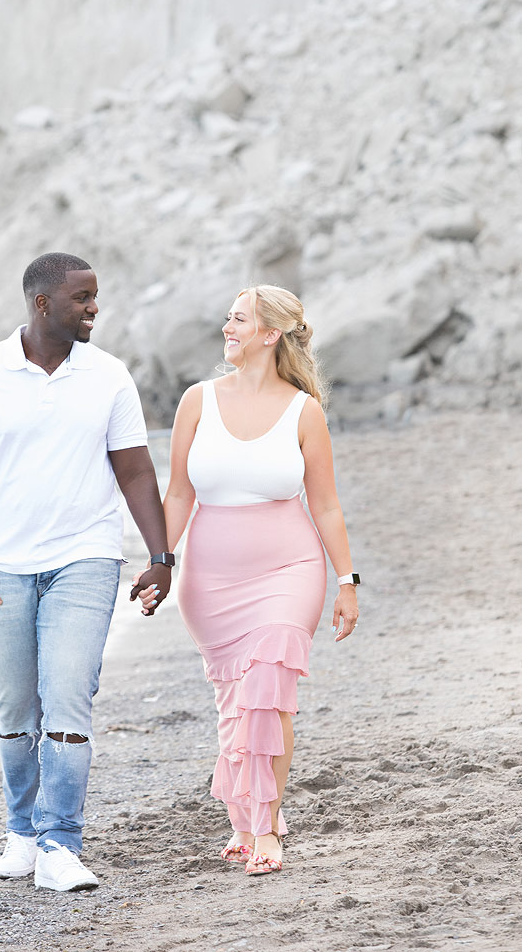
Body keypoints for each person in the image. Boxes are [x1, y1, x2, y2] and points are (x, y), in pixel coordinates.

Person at [0, 252, 172, 892]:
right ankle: (22, 836)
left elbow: (136, 471)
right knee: (14, 707)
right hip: (2, 567)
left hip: (86, 560)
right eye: (82, 298)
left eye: (95, 296)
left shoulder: (109, 376)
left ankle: (61, 842)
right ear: (42, 304)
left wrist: (160, 556)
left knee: (67, 698)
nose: (94, 307)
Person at [138, 283, 359, 876]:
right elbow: (179, 492)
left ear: (271, 334)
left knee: (269, 695)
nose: (227, 328)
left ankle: (266, 830)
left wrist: (347, 580)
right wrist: (160, 558)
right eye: (228, 318)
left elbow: (328, 506)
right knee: (236, 705)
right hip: (211, 582)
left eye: (239, 319)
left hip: (291, 571)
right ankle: (243, 821)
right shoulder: (197, 401)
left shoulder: (303, 411)